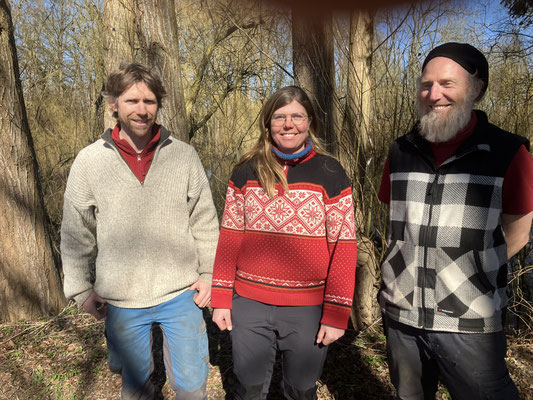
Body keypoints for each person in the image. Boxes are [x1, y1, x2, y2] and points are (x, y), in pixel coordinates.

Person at [378, 42, 533, 399]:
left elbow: (519, 232)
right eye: (426, 84)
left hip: (471, 321)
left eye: (447, 83)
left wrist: (469, 272)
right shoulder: (400, 151)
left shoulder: (508, 152)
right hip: (402, 315)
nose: (434, 95)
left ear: (476, 89)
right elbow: (397, 225)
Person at [61, 63, 219, 400]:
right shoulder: (89, 161)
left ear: (158, 104)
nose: (142, 109)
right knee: (136, 389)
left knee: (192, 385)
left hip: (182, 292)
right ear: (113, 104)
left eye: (149, 101)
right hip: (120, 298)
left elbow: (204, 221)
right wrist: (80, 289)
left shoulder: (183, 156)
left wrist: (209, 274)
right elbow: (76, 231)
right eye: (132, 100)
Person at [211, 86, 358, 400]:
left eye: (297, 116)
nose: (288, 124)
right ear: (268, 123)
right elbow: (229, 236)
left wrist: (336, 313)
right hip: (249, 303)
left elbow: (344, 246)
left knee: (300, 389)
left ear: (309, 122)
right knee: (248, 387)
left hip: (308, 308)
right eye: (280, 117)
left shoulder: (330, 172)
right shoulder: (245, 171)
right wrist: (221, 297)